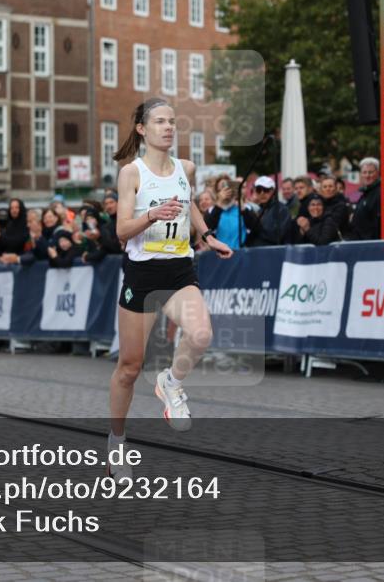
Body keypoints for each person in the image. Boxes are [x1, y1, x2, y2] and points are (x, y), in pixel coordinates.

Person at [109, 97, 233, 481]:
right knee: (129, 368)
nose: (168, 128)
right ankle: (117, 442)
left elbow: (189, 203)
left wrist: (207, 235)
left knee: (201, 334)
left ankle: (171, 382)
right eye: (160, 122)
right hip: (142, 274)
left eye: (172, 122)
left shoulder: (186, 168)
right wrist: (151, 215)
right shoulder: (131, 173)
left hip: (179, 270)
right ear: (142, 129)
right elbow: (121, 231)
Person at [204, 173, 252, 250]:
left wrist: (241, 205)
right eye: (221, 189)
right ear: (217, 192)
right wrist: (219, 204)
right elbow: (206, 234)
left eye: (227, 188)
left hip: (241, 252)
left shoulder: (245, 208)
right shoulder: (211, 211)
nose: (225, 192)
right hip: (219, 253)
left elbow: (256, 229)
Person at [244, 176, 292, 247]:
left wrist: (255, 226)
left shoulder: (282, 209)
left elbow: (276, 237)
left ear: (273, 191)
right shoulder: (259, 209)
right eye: (258, 190)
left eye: (266, 190)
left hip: (273, 252)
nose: (262, 193)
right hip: (256, 251)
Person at [345, 157, 381, 240]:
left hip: (372, 243)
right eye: (364, 172)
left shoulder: (381, 192)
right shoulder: (364, 193)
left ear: (377, 173)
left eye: (370, 172)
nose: (367, 175)